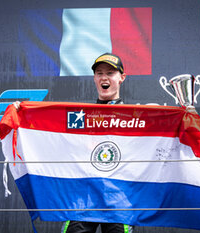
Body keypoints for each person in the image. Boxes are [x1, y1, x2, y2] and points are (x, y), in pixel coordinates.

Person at [13, 53, 133, 233]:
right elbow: (50, 129)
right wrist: (22, 113)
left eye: (110, 73)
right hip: (84, 195)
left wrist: (183, 114)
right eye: (99, 73)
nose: (104, 77)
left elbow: (161, 126)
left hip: (119, 195)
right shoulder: (79, 117)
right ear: (94, 78)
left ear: (121, 78)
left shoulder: (136, 116)